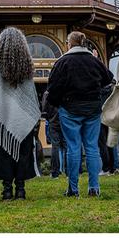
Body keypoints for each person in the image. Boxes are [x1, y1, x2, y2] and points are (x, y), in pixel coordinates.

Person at [0, 27, 41, 201]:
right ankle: (20, 190)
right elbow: (32, 93)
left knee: (4, 152)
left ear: (1, 44)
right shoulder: (27, 65)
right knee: (23, 152)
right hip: (24, 118)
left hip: (3, 116)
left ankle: (6, 190)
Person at [46, 31, 112, 197]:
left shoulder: (63, 62)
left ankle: (73, 188)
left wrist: (57, 103)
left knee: (73, 147)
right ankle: (94, 187)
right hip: (93, 108)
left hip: (70, 108)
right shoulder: (94, 61)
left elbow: (53, 87)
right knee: (92, 147)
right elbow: (107, 79)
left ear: (69, 44)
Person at [41, 90, 65, 178]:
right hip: (64, 120)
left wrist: (49, 118)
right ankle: (68, 172)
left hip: (53, 121)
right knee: (66, 147)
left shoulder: (48, 93)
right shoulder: (64, 90)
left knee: (55, 146)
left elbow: (44, 109)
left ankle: (55, 172)